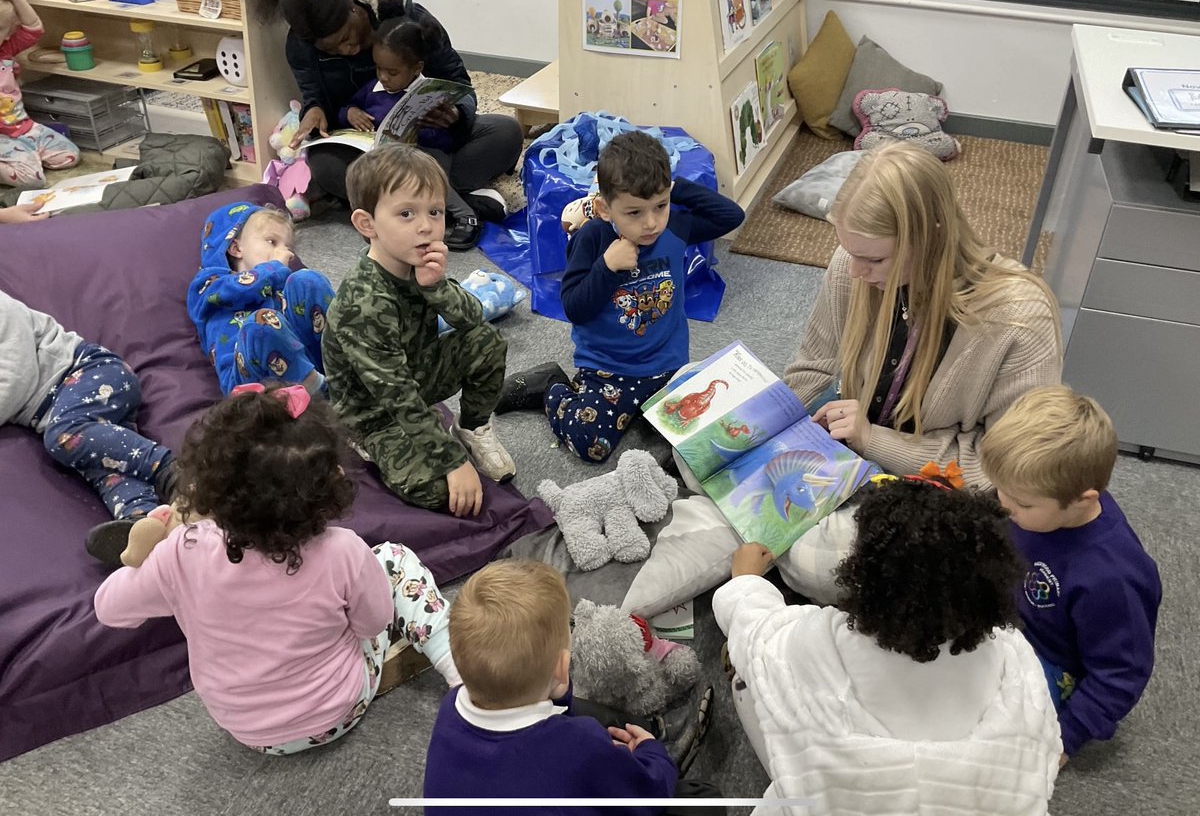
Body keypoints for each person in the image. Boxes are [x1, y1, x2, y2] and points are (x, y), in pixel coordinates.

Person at [92, 384, 461, 754]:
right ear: (327, 487)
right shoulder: (343, 550)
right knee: (393, 558)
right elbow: (373, 624)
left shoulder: (181, 550)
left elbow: (108, 607)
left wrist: (150, 556)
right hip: (337, 712)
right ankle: (456, 665)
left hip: (248, 732)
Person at [714, 477, 1061, 814]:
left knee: (747, 679)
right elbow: (1038, 738)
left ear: (861, 573)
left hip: (833, 798)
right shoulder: (1009, 652)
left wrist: (746, 581)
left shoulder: (822, 643)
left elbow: (757, 635)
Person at [783, 141, 1062, 488]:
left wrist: (875, 441)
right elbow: (813, 368)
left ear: (931, 237)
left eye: (875, 260)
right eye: (848, 250)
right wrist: (770, 427)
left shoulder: (1019, 318)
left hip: (942, 491)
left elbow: (1008, 470)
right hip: (853, 454)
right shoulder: (851, 265)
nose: (855, 271)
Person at [248, 0, 523, 250]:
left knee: (506, 131)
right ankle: (450, 201)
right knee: (325, 165)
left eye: (346, 37)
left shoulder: (413, 21)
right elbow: (319, 100)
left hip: (430, 143)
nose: (348, 49)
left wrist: (456, 113)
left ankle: (407, 206)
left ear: (352, 8)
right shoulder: (300, 47)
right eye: (333, 49)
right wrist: (315, 109)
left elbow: (459, 83)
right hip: (370, 151)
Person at [500, 131, 744, 463]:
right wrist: (607, 266)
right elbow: (575, 307)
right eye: (634, 213)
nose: (651, 223)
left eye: (660, 206)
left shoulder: (673, 226)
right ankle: (549, 385)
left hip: (669, 365)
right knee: (592, 446)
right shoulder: (592, 239)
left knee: (714, 437)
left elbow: (731, 216)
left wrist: (674, 188)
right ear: (604, 208)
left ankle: (647, 411)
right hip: (609, 370)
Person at [424, 560, 723, 813]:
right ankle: (654, 743)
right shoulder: (581, 745)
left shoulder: (451, 707)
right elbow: (649, 794)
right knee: (704, 799)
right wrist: (653, 757)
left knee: (574, 710)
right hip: (577, 772)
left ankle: (651, 732)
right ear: (562, 666)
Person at [322, 144, 514, 517]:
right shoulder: (364, 301)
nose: (426, 226)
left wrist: (436, 286)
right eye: (406, 213)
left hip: (416, 373)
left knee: (487, 342)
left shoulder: (417, 263)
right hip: (375, 411)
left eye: (435, 212)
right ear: (367, 225)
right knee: (444, 492)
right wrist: (452, 462)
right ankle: (365, 441)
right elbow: (396, 396)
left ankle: (471, 428)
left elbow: (472, 319)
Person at [980, 385, 1162, 764]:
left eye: (1022, 504)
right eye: (1001, 492)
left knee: (990, 742)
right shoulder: (1035, 504)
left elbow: (1120, 674)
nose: (1003, 506)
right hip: (1011, 616)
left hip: (1054, 664)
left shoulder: (1112, 577)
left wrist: (1063, 740)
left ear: (1083, 500)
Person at [0, 289, 177, 565]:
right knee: (105, 468)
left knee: (63, 436)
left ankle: (171, 468)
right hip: (69, 416)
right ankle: (141, 521)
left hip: (90, 372)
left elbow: (17, 376)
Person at [187, 202, 334, 396]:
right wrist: (274, 267)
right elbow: (237, 291)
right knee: (261, 323)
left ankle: (343, 366)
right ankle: (322, 395)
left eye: (288, 247)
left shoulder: (280, 284)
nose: (287, 254)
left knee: (307, 280)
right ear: (236, 248)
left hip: (303, 364)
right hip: (248, 384)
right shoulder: (209, 283)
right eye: (272, 242)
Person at [0, 0, 81, 188]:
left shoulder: (6, 51)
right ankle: (21, 160)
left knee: (70, 156)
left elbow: (34, 28)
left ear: (8, 33)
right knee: (32, 181)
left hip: (24, 128)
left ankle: (25, 156)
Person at [339, 14, 459, 154]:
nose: (383, 77)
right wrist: (349, 112)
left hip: (411, 158)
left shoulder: (428, 98)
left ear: (417, 68)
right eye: (378, 68)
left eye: (393, 73)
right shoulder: (372, 88)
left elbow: (445, 141)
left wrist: (418, 135)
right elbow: (347, 107)